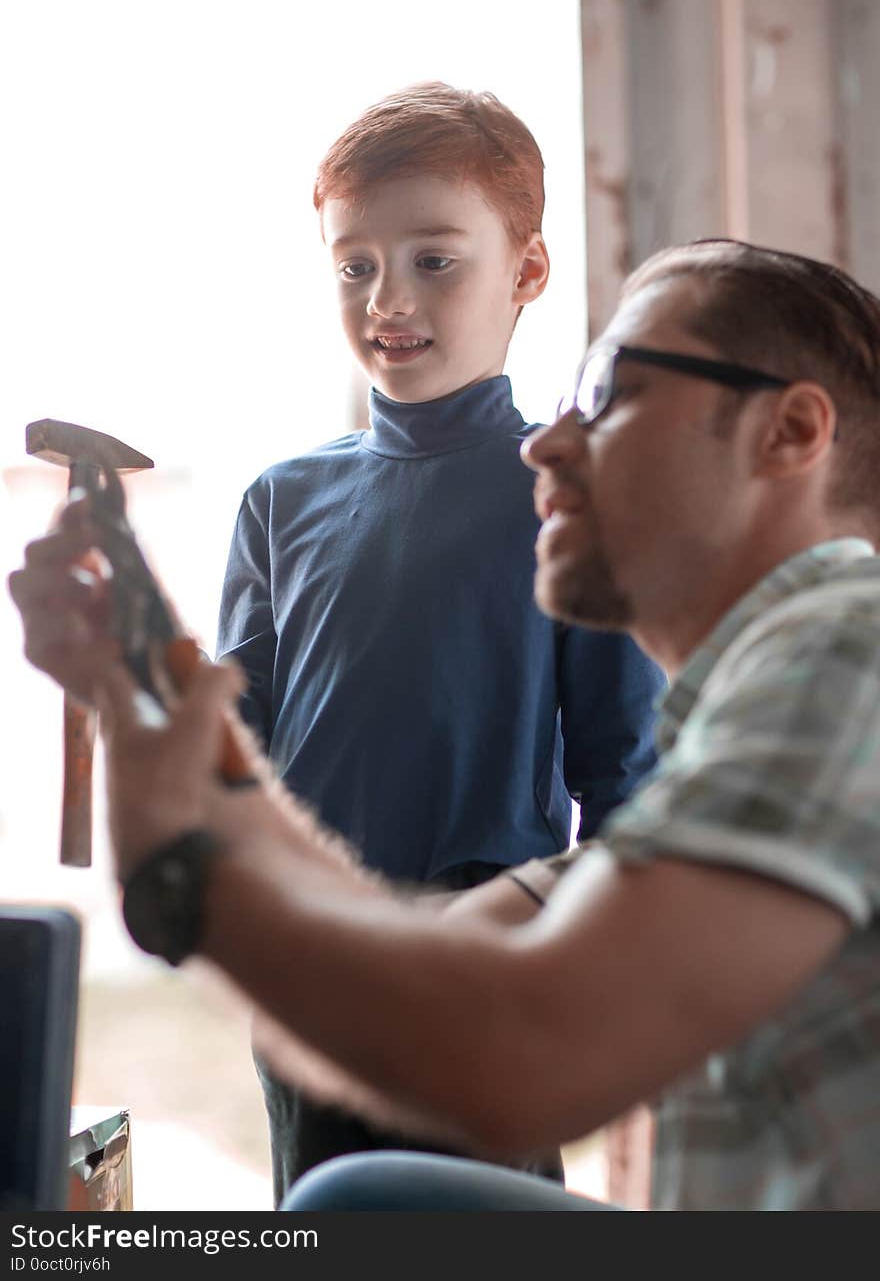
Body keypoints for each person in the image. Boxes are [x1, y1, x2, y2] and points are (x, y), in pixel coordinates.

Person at [11, 238, 880, 1211]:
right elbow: (395, 981)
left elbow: (509, 1049)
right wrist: (141, 693)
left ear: (790, 431)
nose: (546, 442)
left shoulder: (850, 648)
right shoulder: (735, 747)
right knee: (350, 1199)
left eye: (604, 397)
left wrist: (176, 861)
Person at [212, 81, 663, 1196]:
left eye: (433, 259)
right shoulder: (280, 497)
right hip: (307, 952)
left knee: (477, 1222)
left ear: (528, 270)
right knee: (325, 1213)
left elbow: (624, 773)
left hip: (486, 951)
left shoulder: (565, 492)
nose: (387, 298)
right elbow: (232, 745)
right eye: (354, 264)